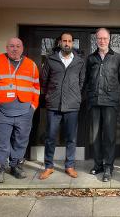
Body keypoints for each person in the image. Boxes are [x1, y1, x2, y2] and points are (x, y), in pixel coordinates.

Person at [0, 37, 40, 184]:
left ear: (22, 48)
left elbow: (36, 87)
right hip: (1, 110)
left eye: (18, 46)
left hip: (25, 110)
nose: (15, 49)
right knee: (0, 141)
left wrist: (33, 106)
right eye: (11, 46)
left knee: (21, 140)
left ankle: (16, 165)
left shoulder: (31, 65)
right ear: (6, 48)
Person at [39, 32, 85, 180]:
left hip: (72, 105)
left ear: (72, 43)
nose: (67, 43)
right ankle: (48, 166)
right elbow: (44, 81)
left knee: (71, 138)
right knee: (51, 137)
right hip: (54, 104)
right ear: (60, 43)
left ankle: (69, 166)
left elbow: (82, 82)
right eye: (64, 41)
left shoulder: (79, 61)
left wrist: (75, 95)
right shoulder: (50, 60)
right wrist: (49, 95)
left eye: (69, 41)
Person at [85, 28, 120, 182]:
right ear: (96, 39)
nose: (102, 41)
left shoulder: (117, 58)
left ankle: (108, 167)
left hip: (110, 103)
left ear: (109, 39)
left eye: (105, 38)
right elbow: (87, 79)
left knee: (109, 136)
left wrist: (113, 95)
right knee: (94, 136)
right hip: (94, 102)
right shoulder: (91, 58)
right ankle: (98, 164)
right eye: (99, 38)